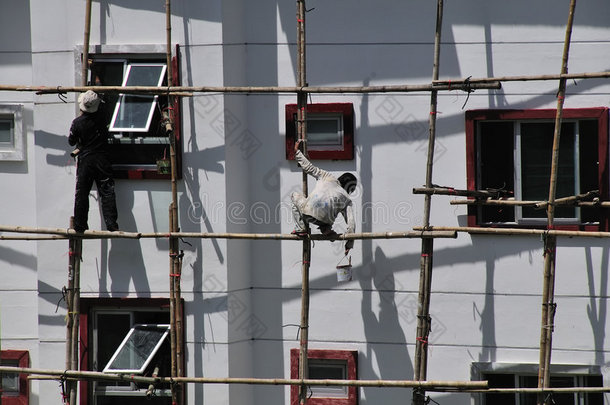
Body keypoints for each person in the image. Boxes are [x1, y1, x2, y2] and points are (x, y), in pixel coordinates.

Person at [291, 140, 357, 254]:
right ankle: (326, 229)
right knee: (326, 215)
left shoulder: (327, 176)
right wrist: (349, 244)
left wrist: (297, 153)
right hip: (325, 220)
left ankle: (300, 228)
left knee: (294, 196)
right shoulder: (346, 199)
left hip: (308, 212)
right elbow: (351, 224)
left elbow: (309, 167)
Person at [68, 90, 119, 233]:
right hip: (102, 158)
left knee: (82, 192)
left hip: (86, 160)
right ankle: (112, 224)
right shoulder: (103, 117)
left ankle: (80, 224)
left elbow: (71, 141)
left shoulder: (77, 122)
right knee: (107, 191)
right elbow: (106, 107)